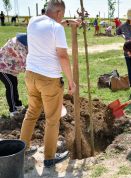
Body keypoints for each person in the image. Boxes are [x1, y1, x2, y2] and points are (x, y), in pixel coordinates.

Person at [20, 0, 80, 168]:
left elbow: (50, 24)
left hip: (30, 75)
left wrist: (69, 22)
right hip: (49, 79)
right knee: (52, 119)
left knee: (31, 112)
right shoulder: (57, 28)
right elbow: (62, 56)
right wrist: (70, 80)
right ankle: (49, 157)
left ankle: (23, 148)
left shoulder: (33, 21)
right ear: (59, 13)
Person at [0, 33, 27, 118]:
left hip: (10, 68)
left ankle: (18, 104)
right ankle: (13, 110)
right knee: (10, 85)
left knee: (14, 84)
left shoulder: (22, 40)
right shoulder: (19, 46)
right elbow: (25, 65)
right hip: (2, 67)